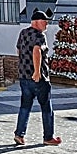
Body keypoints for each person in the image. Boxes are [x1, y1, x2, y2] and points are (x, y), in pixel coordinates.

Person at [13, 10, 61, 146]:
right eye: (45, 21)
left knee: (25, 106)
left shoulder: (23, 33)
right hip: (38, 78)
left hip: (23, 76)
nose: (47, 24)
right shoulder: (40, 36)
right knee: (46, 107)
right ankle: (48, 137)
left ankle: (19, 134)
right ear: (37, 22)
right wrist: (37, 72)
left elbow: (18, 51)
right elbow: (36, 50)